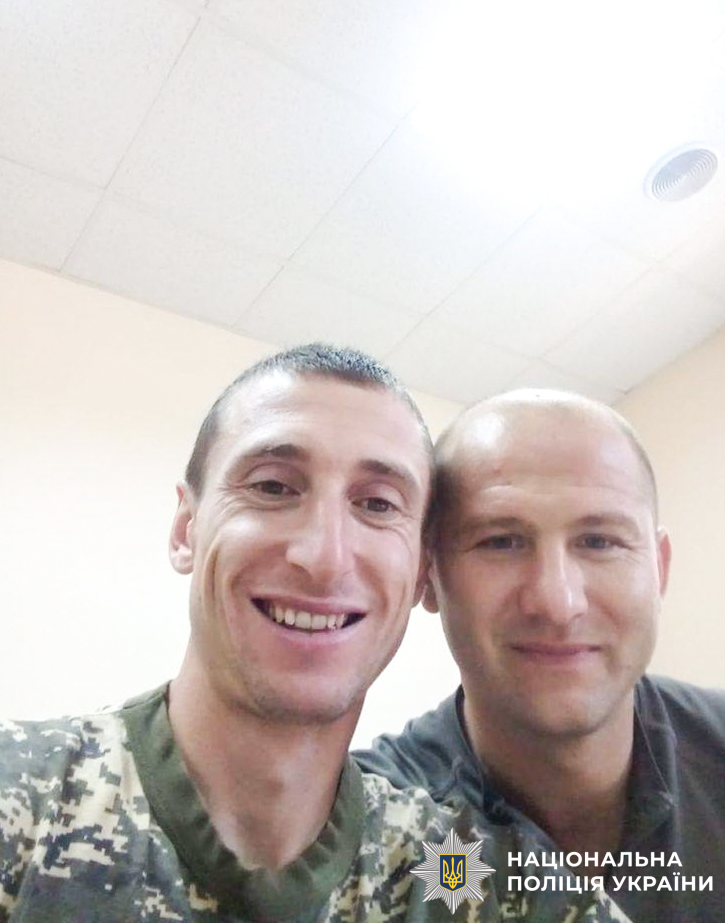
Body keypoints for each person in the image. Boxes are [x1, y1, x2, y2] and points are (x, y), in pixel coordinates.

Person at [0, 353, 633, 923]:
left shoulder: (462, 874)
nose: (325, 558)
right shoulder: (23, 800)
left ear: (422, 571)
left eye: (378, 504)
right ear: (185, 528)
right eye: (272, 487)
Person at [356, 389, 725, 923]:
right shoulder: (366, 827)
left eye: (599, 542)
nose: (558, 603)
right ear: (430, 576)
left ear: (660, 569)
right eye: (501, 541)